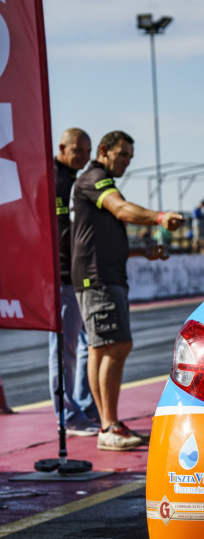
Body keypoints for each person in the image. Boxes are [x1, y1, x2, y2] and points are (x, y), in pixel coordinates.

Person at [70, 131, 184, 450]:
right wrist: (159, 217)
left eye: (130, 158)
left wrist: (140, 251)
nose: (126, 162)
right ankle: (109, 426)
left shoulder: (95, 180)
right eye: (122, 155)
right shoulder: (95, 178)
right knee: (117, 346)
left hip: (99, 275)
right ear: (104, 151)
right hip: (99, 278)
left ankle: (107, 423)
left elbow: (101, 237)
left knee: (100, 349)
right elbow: (121, 210)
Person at [50, 128, 101, 435]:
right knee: (64, 349)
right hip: (63, 275)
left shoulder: (73, 180)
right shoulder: (55, 180)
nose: (83, 156)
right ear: (62, 147)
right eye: (78, 150)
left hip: (80, 276)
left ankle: (82, 405)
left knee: (86, 346)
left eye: (87, 151)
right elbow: (60, 233)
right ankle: (67, 417)